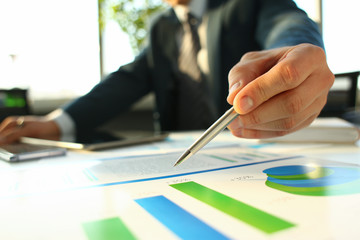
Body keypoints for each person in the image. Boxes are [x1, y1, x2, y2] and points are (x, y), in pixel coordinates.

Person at [0, 0, 334, 145]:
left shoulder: (245, 4)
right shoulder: (161, 28)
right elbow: (124, 81)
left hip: (248, 151)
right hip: (176, 162)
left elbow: (288, 25)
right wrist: (56, 123)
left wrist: (298, 52)